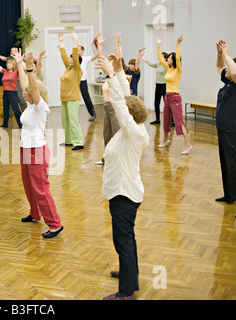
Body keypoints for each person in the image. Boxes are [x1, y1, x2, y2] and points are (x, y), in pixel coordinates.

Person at [96, 43, 149, 300]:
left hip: (124, 195)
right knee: (127, 239)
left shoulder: (132, 131)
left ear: (130, 115)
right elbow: (125, 97)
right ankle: (130, 274)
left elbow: (119, 102)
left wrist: (109, 75)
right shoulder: (134, 129)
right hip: (125, 192)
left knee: (123, 240)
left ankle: (126, 291)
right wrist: (117, 72)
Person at [12, 48, 63, 239]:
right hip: (25, 149)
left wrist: (31, 69)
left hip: (37, 151)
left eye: (27, 92)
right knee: (28, 185)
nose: (23, 92)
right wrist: (19, 62)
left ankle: (55, 224)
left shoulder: (41, 107)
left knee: (41, 189)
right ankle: (35, 213)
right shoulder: (30, 106)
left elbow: (31, 87)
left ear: (35, 94)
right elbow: (26, 84)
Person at [157, 35, 192, 155]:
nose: (168, 59)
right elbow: (160, 59)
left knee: (179, 122)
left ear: (174, 60)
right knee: (166, 120)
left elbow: (178, 58)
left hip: (175, 98)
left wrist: (177, 44)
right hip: (167, 97)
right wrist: (158, 45)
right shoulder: (169, 69)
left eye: (170, 58)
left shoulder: (178, 70)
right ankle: (165, 140)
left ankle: (188, 145)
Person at [95, 33, 121, 166]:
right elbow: (101, 59)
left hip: (115, 108)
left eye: (111, 62)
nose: (108, 63)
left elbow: (119, 60)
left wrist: (117, 44)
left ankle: (118, 160)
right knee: (106, 135)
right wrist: (99, 46)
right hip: (106, 108)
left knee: (117, 135)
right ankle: (106, 157)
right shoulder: (108, 76)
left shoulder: (117, 77)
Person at [215, 40, 236, 204]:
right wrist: (220, 54)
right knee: (226, 164)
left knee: (233, 165)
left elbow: (234, 73)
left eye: (229, 66)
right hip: (223, 129)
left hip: (232, 130)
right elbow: (219, 67)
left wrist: (228, 54)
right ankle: (229, 195)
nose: (226, 70)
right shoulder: (228, 82)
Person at [59, 31, 84, 151]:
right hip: (64, 98)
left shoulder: (77, 70)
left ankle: (78, 142)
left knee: (73, 121)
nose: (69, 60)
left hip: (73, 98)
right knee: (65, 121)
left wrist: (75, 41)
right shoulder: (68, 68)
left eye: (72, 59)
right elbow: (64, 56)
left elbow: (74, 56)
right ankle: (68, 141)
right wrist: (62, 42)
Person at [0, 54, 22, 129]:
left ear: (13, 65)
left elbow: (23, 68)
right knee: (5, 109)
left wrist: (20, 61)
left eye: (10, 64)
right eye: (7, 63)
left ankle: (21, 125)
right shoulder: (4, 71)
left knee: (16, 110)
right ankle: (5, 124)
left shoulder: (16, 72)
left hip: (13, 92)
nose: (8, 65)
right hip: (5, 92)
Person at [141, 49, 168, 125]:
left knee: (167, 104)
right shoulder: (158, 64)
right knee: (156, 103)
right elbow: (151, 64)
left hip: (164, 85)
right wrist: (145, 59)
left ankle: (171, 120)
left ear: (165, 58)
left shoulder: (166, 65)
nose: (160, 58)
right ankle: (157, 119)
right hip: (158, 85)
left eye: (162, 56)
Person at [78, 44, 98, 121]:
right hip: (74, 82)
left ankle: (93, 114)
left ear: (82, 51)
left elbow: (95, 56)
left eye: (79, 50)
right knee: (74, 98)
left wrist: (99, 46)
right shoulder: (73, 58)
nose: (77, 51)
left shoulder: (85, 59)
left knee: (86, 97)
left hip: (83, 81)